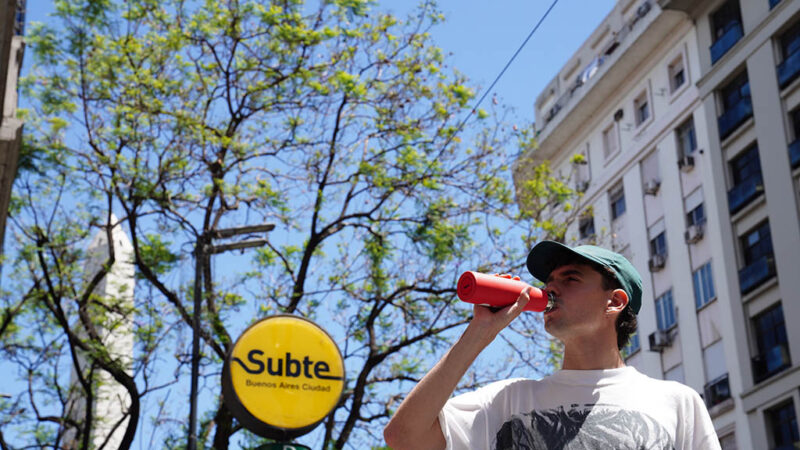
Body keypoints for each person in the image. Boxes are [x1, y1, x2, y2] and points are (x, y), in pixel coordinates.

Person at [384, 240, 720, 450]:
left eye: (570, 278)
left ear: (614, 302)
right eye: (549, 282)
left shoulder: (676, 403)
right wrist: (479, 333)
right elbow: (404, 438)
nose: (551, 290)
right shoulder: (509, 401)